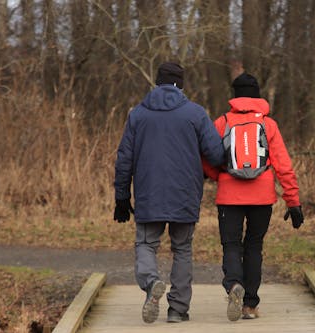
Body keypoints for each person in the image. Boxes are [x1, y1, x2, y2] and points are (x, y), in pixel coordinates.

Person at [113, 62, 225, 324]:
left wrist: (121, 196)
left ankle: (152, 282)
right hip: (185, 193)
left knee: (146, 244)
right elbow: (217, 154)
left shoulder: (138, 114)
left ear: (157, 82)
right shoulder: (196, 114)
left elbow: (124, 159)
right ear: (181, 84)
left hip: (148, 192)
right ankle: (178, 310)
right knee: (182, 248)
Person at [204, 73, 304, 321]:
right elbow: (283, 166)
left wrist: (221, 176)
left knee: (231, 244)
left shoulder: (222, 122)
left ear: (234, 95)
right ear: (257, 94)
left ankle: (234, 285)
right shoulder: (268, 125)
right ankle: (249, 305)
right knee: (254, 246)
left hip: (229, 195)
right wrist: (293, 202)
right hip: (262, 196)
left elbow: (207, 159)